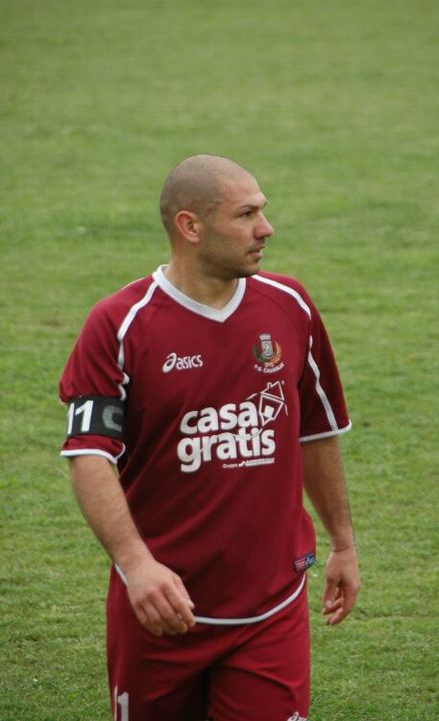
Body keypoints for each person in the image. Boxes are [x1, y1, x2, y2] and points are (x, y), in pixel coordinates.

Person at [59, 154, 360, 721]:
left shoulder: (289, 306)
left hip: (272, 608)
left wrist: (342, 543)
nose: (266, 229)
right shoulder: (119, 324)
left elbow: (317, 432)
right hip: (160, 606)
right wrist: (137, 565)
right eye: (246, 215)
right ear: (190, 226)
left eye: (262, 211)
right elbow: (89, 456)